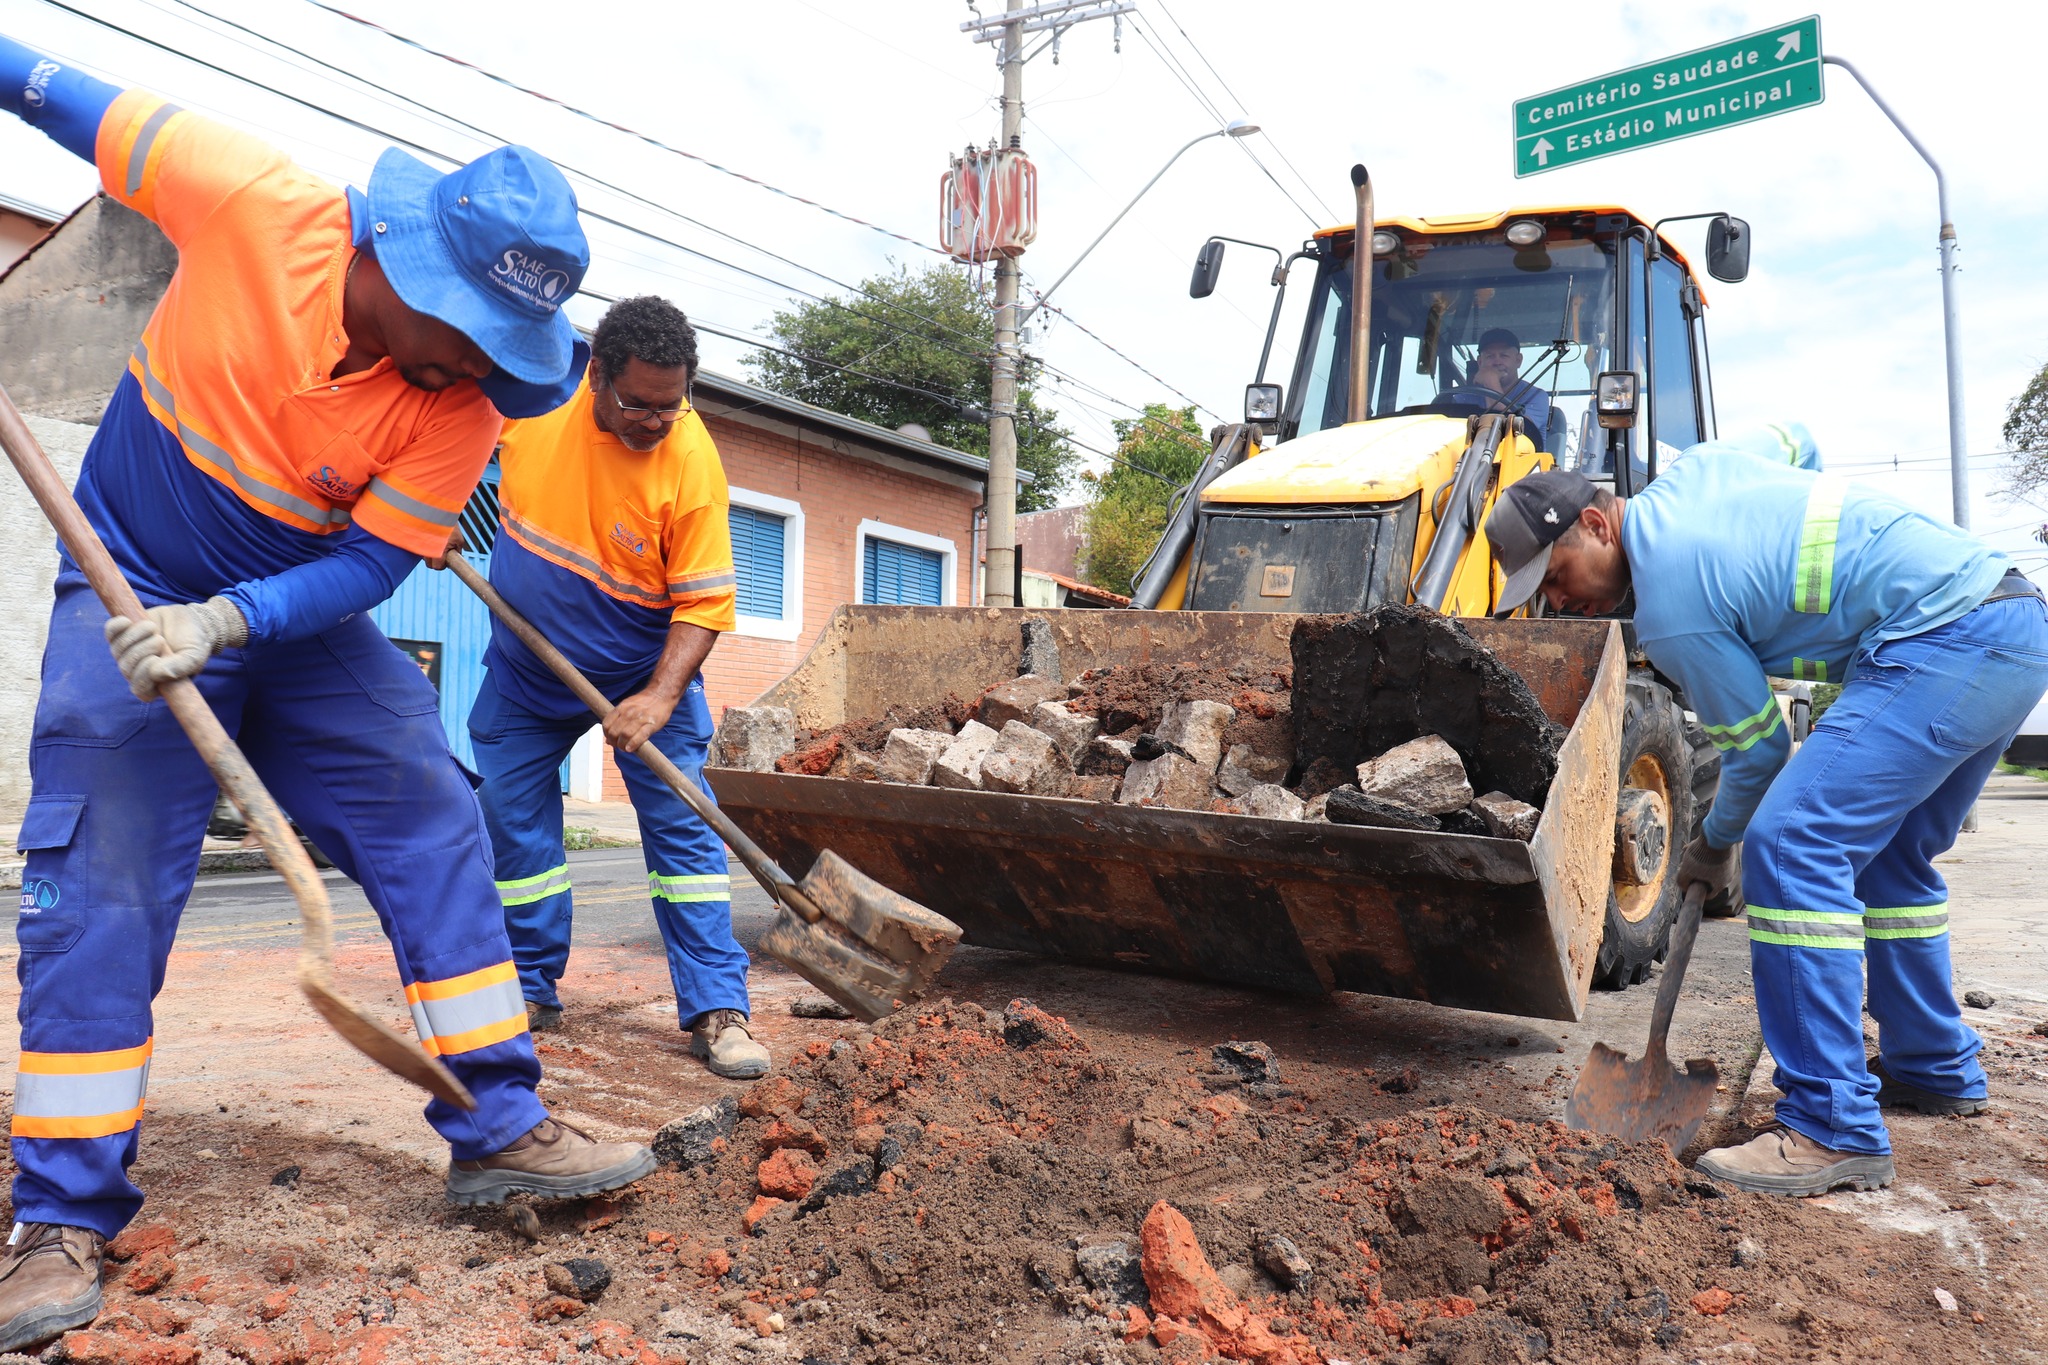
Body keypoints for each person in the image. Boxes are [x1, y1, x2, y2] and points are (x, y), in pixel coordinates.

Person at [0, 37, 653, 1350]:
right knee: (103, 873)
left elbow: (367, 564)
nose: (481, 367)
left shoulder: (462, 411)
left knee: (429, 800)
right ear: (399, 268)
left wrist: (234, 620)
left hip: (288, 613)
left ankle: (500, 1127)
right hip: (125, 580)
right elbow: (57, 95)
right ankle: (58, 1213)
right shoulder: (250, 201)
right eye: (470, 334)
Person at [1485, 458, 2048, 1198]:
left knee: (1790, 842)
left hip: (1937, 637)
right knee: (1894, 855)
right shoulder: (1693, 477)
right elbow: (1797, 438)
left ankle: (1829, 1123)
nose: (1557, 601)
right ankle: (1932, 1062)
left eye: (1555, 576)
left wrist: (1712, 844)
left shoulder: (1671, 605)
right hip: (2010, 620)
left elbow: (1758, 753)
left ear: (1596, 525)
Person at [467, 296, 765, 1079]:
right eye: (638, 404)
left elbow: (703, 603)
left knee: (687, 840)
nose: (655, 422)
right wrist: (427, 507)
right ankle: (528, 989)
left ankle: (715, 1006)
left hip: (640, 672)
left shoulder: (691, 463)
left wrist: (661, 697)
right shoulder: (536, 387)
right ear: (594, 375)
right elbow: (453, 424)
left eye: (672, 406)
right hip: (527, 672)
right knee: (516, 832)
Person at [1446, 327, 1552, 439]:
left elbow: (1515, 435)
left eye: (1504, 356)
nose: (1497, 362)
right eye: (1490, 356)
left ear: (1518, 360)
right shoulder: (1462, 399)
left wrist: (1491, 382)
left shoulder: (1536, 396)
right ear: (1480, 362)